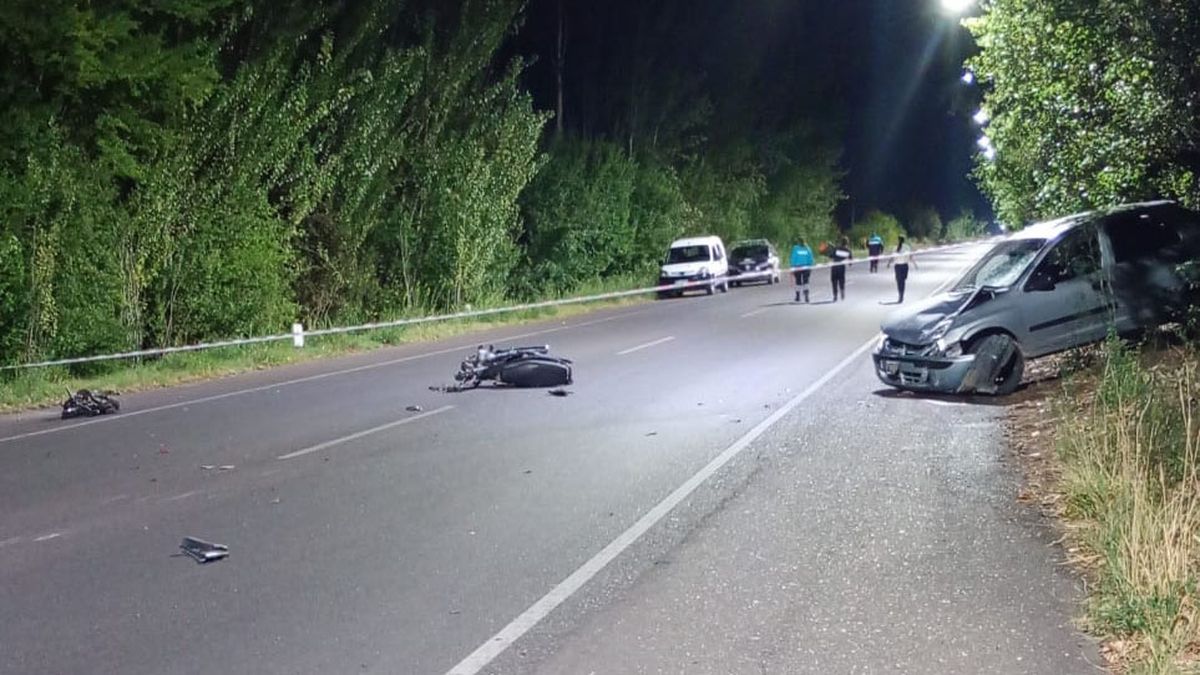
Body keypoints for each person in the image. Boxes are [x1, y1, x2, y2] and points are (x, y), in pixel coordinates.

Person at [887, 235, 917, 302]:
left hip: (897, 266)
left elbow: (892, 257)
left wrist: (889, 263)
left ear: (898, 240)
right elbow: (910, 256)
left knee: (899, 281)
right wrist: (915, 264)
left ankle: (900, 294)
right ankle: (901, 295)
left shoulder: (895, 247)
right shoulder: (907, 247)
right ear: (904, 240)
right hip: (904, 266)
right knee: (903, 281)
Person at [828, 236, 853, 301]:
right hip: (841, 267)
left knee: (834, 281)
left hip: (834, 266)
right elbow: (851, 260)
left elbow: (831, 256)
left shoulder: (836, 248)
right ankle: (842, 292)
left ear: (841, 242)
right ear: (847, 243)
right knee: (841, 280)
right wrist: (850, 264)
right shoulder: (848, 250)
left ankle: (835, 295)